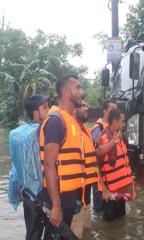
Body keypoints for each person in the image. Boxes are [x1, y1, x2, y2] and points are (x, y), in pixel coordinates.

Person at [39, 74, 85, 239]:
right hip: (57, 200)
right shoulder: (56, 121)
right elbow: (50, 165)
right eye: (78, 87)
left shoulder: (70, 120)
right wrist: (56, 207)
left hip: (67, 198)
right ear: (66, 92)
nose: (82, 92)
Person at [8, 95, 49, 240]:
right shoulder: (46, 131)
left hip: (28, 196)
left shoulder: (16, 134)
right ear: (36, 112)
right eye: (45, 107)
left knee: (32, 234)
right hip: (48, 195)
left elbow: (14, 171)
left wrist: (13, 195)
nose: (49, 110)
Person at [96, 109, 136, 221]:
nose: (124, 124)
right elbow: (96, 167)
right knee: (109, 229)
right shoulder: (103, 139)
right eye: (122, 121)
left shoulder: (121, 138)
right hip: (110, 195)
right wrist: (104, 190)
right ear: (114, 121)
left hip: (121, 194)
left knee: (120, 225)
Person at [70, 100, 100, 239]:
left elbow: (96, 154)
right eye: (81, 106)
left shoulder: (86, 131)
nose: (86, 108)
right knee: (75, 233)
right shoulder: (70, 131)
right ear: (73, 110)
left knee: (86, 232)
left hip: (86, 197)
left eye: (86, 105)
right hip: (75, 198)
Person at [90, 100, 117, 214]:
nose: (114, 114)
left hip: (111, 175)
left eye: (116, 111)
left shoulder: (114, 128)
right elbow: (95, 154)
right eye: (111, 111)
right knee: (99, 209)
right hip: (100, 174)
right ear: (104, 111)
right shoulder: (99, 128)